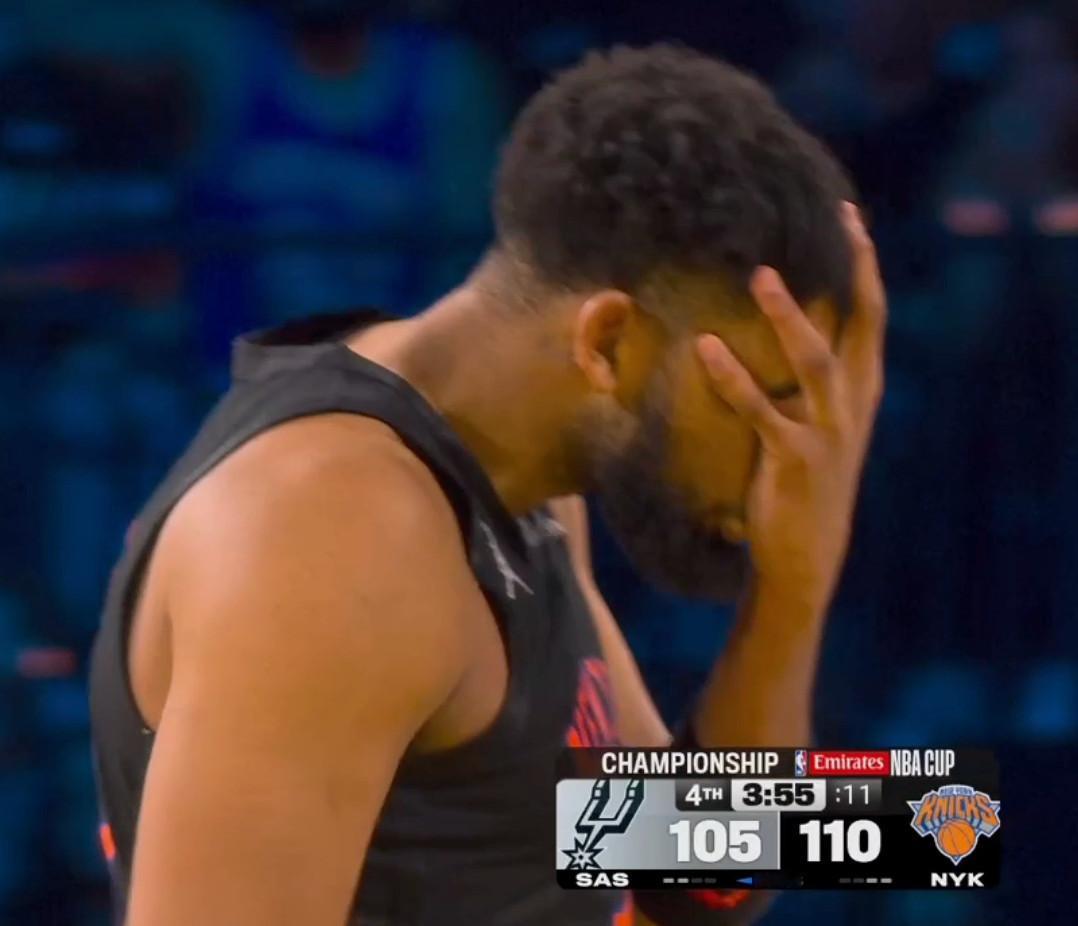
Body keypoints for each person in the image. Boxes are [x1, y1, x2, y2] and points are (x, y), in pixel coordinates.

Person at [89, 44, 885, 926]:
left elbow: (693, 884)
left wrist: (795, 584)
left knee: (940, 826)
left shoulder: (516, 474)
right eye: (763, 400)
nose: (792, 456)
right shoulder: (335, 537)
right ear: (608, 343)